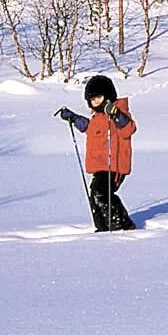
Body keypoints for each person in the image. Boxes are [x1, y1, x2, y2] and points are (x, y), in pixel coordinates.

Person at [57, 75, 138, 231]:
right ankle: (103, 226)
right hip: (99, 166)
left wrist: (115, 114)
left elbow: (128, 129)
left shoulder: (119, 112)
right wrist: (73, 118)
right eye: (92, 99)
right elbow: (88, 128)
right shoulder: (97, 117)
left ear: (108, 96)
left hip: (114, 166)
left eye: (98, 97)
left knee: (101, 193)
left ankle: (119, 225)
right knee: (95, 194)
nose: (95, 102)